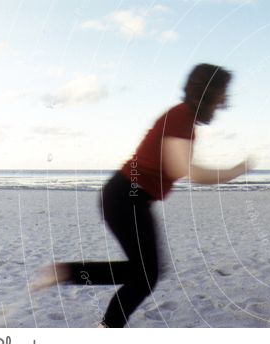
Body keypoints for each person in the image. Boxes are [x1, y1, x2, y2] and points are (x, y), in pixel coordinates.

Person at [31, 63, 254, 328]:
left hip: (130, 198)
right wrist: (236, 170)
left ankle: (72, 278)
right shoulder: (180, 117)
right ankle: (82, 292)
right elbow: (185, 170)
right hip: (125, 198)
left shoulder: (184, 120)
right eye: (221, 93)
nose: (223, 100)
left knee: (144, 273)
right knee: (146, 275)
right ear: (208, 92)